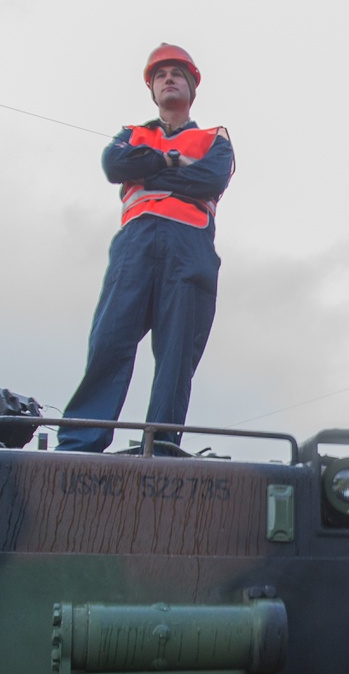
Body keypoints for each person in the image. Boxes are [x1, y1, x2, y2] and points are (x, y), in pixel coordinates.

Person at [56, 44, 234, 453]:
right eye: (160, 75)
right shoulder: (130, 135)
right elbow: (115, 166)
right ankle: (81, 443)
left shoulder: (214, 139)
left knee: (175, 358)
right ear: (152, 90)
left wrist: (153, 166)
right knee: (109, 341)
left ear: (191, 86)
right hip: (134, 247)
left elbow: (210, 179)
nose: (168, 79)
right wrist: (176, 163)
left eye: (176, 73)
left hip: (189, 251)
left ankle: (162, 446)